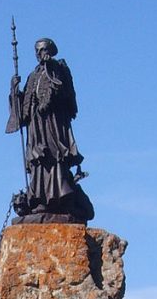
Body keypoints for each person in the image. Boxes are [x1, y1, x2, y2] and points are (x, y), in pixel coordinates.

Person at [6, 38, 94, 221]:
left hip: (53, 124)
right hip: (36, 127)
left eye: (43, 50)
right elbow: (23, 110)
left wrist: (51, 70)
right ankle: (39, 198)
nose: (39, 54)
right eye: (37, 51)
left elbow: (65, 95)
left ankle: (60, 198)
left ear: (50, 50)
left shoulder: (58, 69)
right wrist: (15, 91)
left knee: (54, 159)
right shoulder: (33, 75)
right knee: (39, 160)